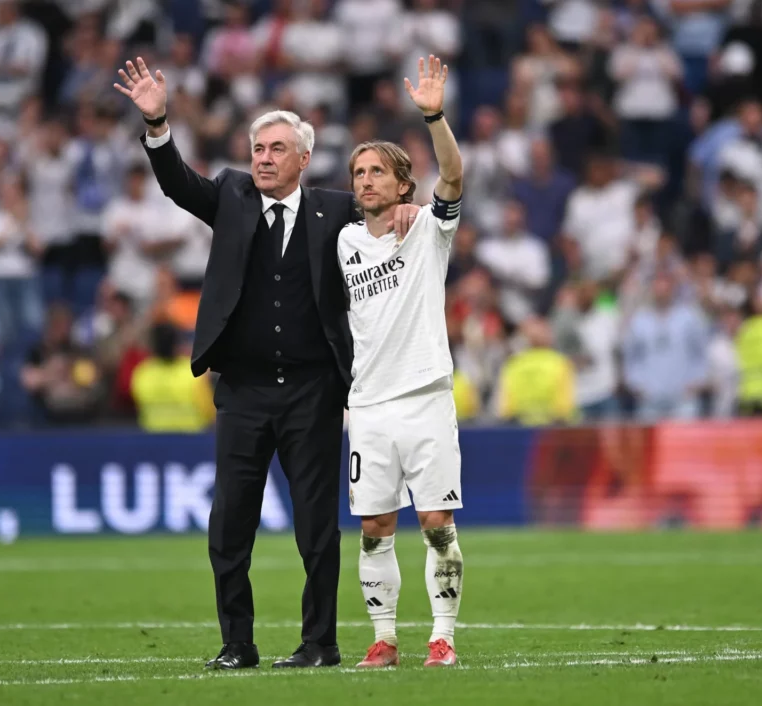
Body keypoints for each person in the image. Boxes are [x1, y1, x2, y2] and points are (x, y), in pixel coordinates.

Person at [114, 56, 419, 670]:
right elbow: (176, 182)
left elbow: (388, 218)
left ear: (303, 159)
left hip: (313, 391)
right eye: (258, 147)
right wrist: (157, 123)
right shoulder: (230, 194)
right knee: (228, 526)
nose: (264, 157)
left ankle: (320, 644)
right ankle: (237, 644)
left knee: (316, 529)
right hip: (244, 392)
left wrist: (402, 213)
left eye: (278, 148)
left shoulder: (336, 209)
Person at [337, 55, 465, 669]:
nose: (365, 181)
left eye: (378, 172)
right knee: (373, 528)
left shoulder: (427, 231)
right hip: (367, 405)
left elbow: (456, 175)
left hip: (425, 395)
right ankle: (385, 638)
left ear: (403, 183)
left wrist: (433, 115)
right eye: (359, 172)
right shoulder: (345, 240)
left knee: (436, 521)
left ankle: (442, 637)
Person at [130, 322, 216, 432]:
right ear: (176, 344)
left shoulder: (142, 373)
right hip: (192, 442)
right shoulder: (194, 372)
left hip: (152, 440)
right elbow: (209, 413)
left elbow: (137, 408)